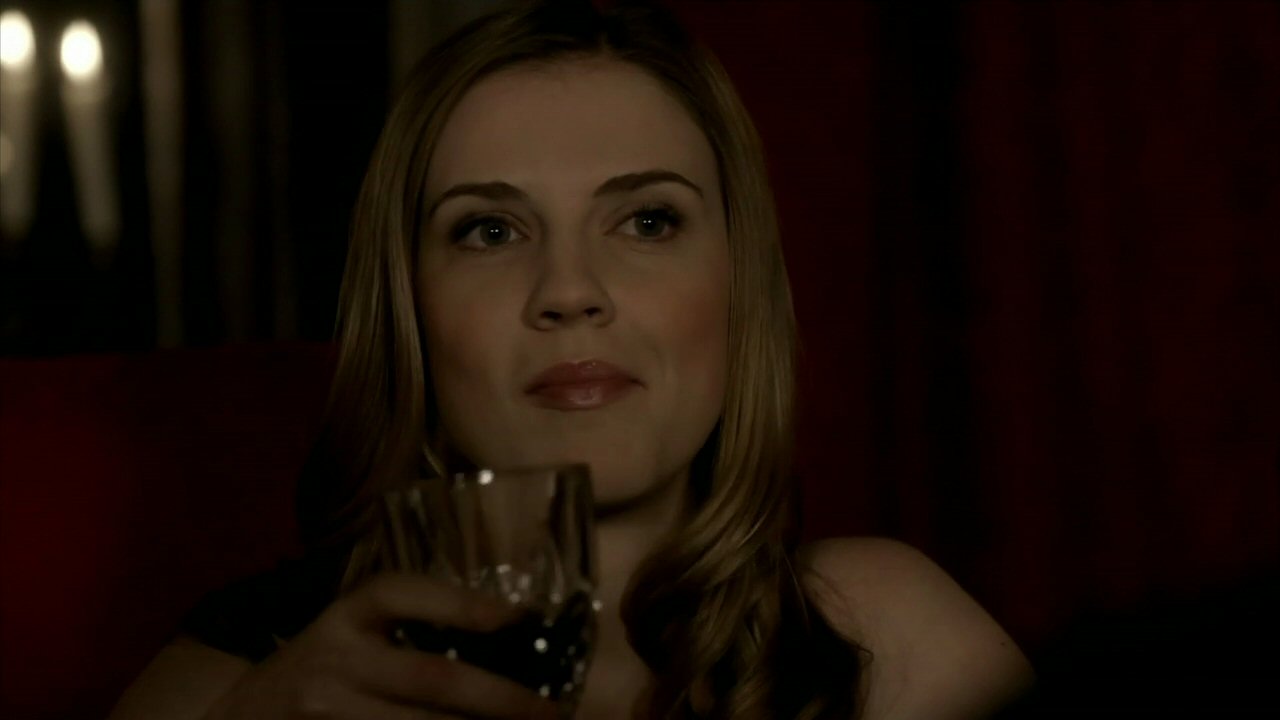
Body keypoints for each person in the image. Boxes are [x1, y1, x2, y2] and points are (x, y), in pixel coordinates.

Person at [109, 0, 1033, 717]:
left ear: (740, 284)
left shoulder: (877, 634)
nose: (569, 289)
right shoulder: (249, 678)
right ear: (410, 312)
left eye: (647, 221)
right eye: (490, 230)